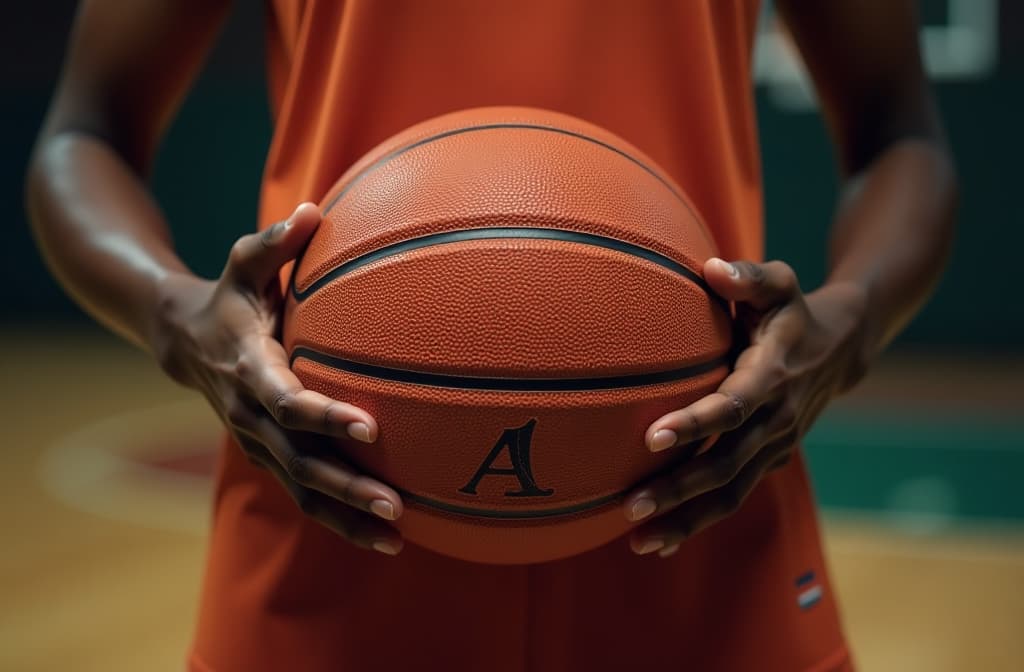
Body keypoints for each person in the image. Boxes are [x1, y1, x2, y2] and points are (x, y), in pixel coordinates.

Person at [26, 1, 957, 670]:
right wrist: (177, 315)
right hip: (329, 500)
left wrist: (851, 321)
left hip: (701, 499)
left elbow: (897, 134)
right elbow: (85, 134)